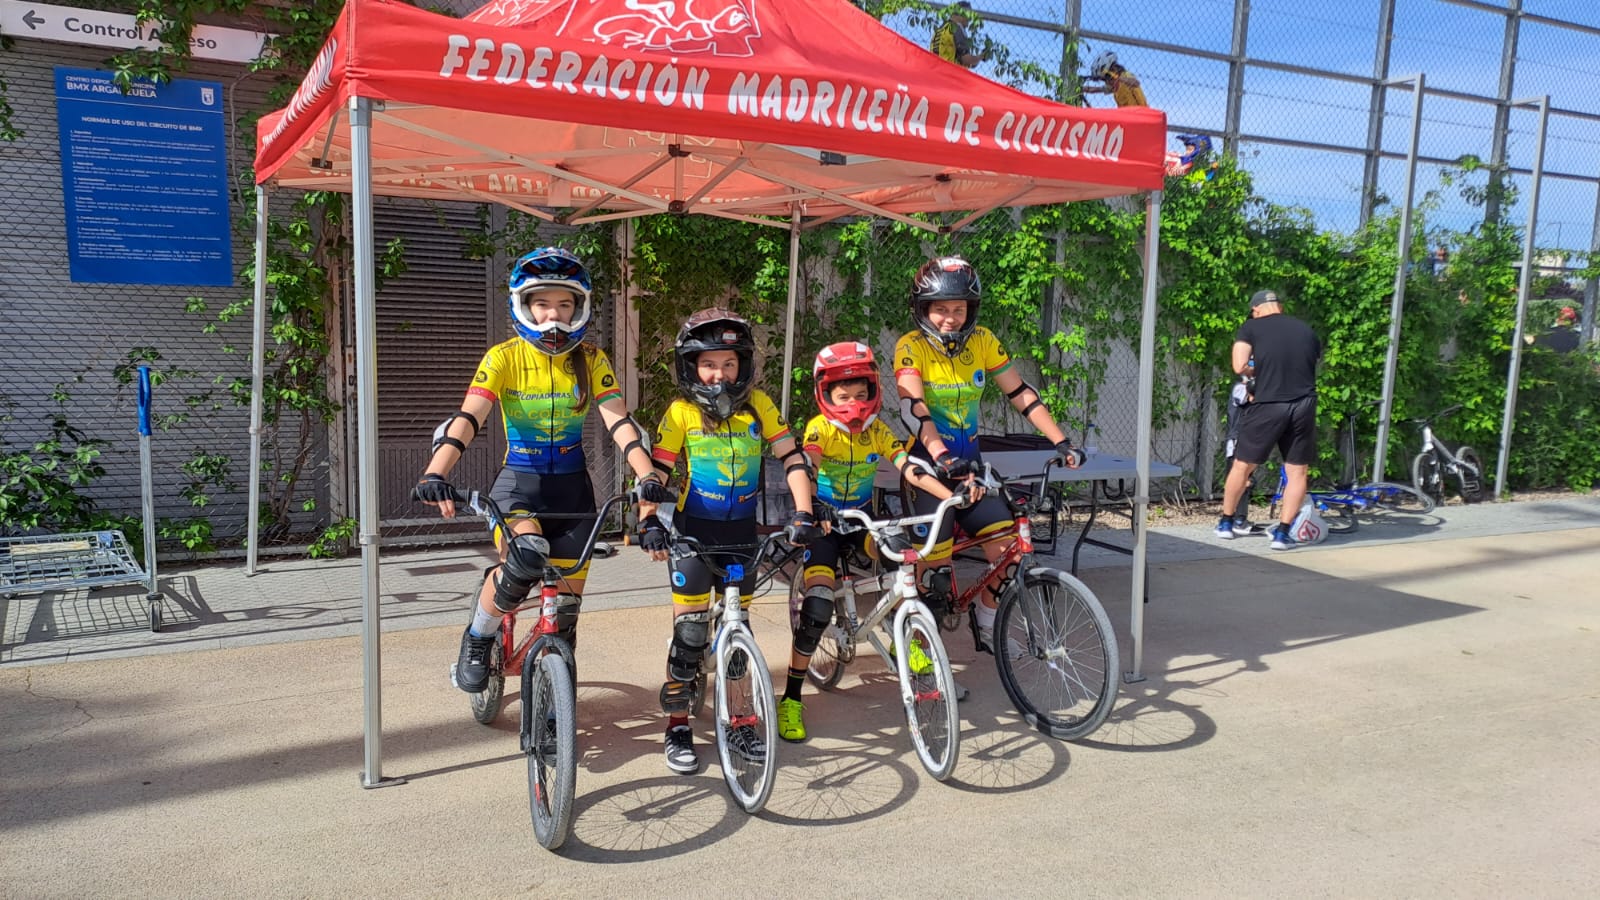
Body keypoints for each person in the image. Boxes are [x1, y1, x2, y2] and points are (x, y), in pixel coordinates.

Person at [416, 247, 673, 695]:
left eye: (565, 304)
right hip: (520, 487)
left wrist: (646, 474)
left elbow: (619, 421)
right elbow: (468, 418)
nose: (553, 315)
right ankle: (478, 637)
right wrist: (434, 472)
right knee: (525, 556)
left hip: (574, 494)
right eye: (542, 303)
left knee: (567, 615)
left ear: (580, 308)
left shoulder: (592, 359)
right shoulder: (503, 357)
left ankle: (555, 703)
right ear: (523, 305)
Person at [637, 308, 817, 774]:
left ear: (744, 366)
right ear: (691, 367)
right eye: (709, 364)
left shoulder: (759, 405)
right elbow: (656, 471)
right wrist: (649, 519)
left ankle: (740, 723)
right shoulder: (681, 412)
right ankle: (677, 725)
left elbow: (792, 457)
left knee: (740, 632)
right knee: (690, 633)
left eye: (729, 364)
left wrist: (803, 513)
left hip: (740, 536)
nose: (720, 374)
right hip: (694, 532)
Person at [894, 257, 1082, 655]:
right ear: (923, 309)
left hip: (973, 475)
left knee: (1010, 552)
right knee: (935, 579)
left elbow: (1020, 393)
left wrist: (1061, 441)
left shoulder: (982, 341)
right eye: (941, 309)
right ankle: (920, 660)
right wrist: (942, 456)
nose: (950, 318)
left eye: (958, 309)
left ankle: (987, 618)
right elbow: (914, 408)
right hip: (931, 474)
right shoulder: (909, 346)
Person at [783, 341, 965, 742]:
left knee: (903, 566)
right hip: (828, 523)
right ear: (826, 395)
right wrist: (813, 508)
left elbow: (909, 470)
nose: (854, 403)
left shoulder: (878, 429)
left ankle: (909, 645)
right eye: (843, 396)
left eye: (861, 394)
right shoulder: (819, 428)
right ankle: (792, 697)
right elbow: (807, 466)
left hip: (863, 521)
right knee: (816, 609)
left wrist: (948, 493)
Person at [1216, 290, 1323, 551]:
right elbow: (1312, 361)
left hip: (1268, 404)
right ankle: (1283, 534)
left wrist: (1255, 370)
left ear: (1257, 309)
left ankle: (1227, 522)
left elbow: (1239, 365)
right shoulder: (1306, 330)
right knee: (1297, 471)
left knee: (1242, 465)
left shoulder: (1251, 327)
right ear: (1279, 307)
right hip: (1304, 404)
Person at [1083, 50, 1148, 108]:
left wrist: (1119, 78)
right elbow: (1095, 89)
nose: (1107, 82)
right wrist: (1082, 88)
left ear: (1113, 70)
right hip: (1128, 118)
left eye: (1107, 77)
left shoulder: (1126, 76)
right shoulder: (1113, 87)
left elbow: (1136, 83)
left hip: (1141, 115)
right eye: (1104, 80)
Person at [931, 1, 982, 68]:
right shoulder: (956, 28)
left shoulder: (940, 29)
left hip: (935, 70)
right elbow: (966, 60)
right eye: (969, 14)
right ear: (961, 14)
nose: (969, 19)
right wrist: (981, 56)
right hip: (950, 73)